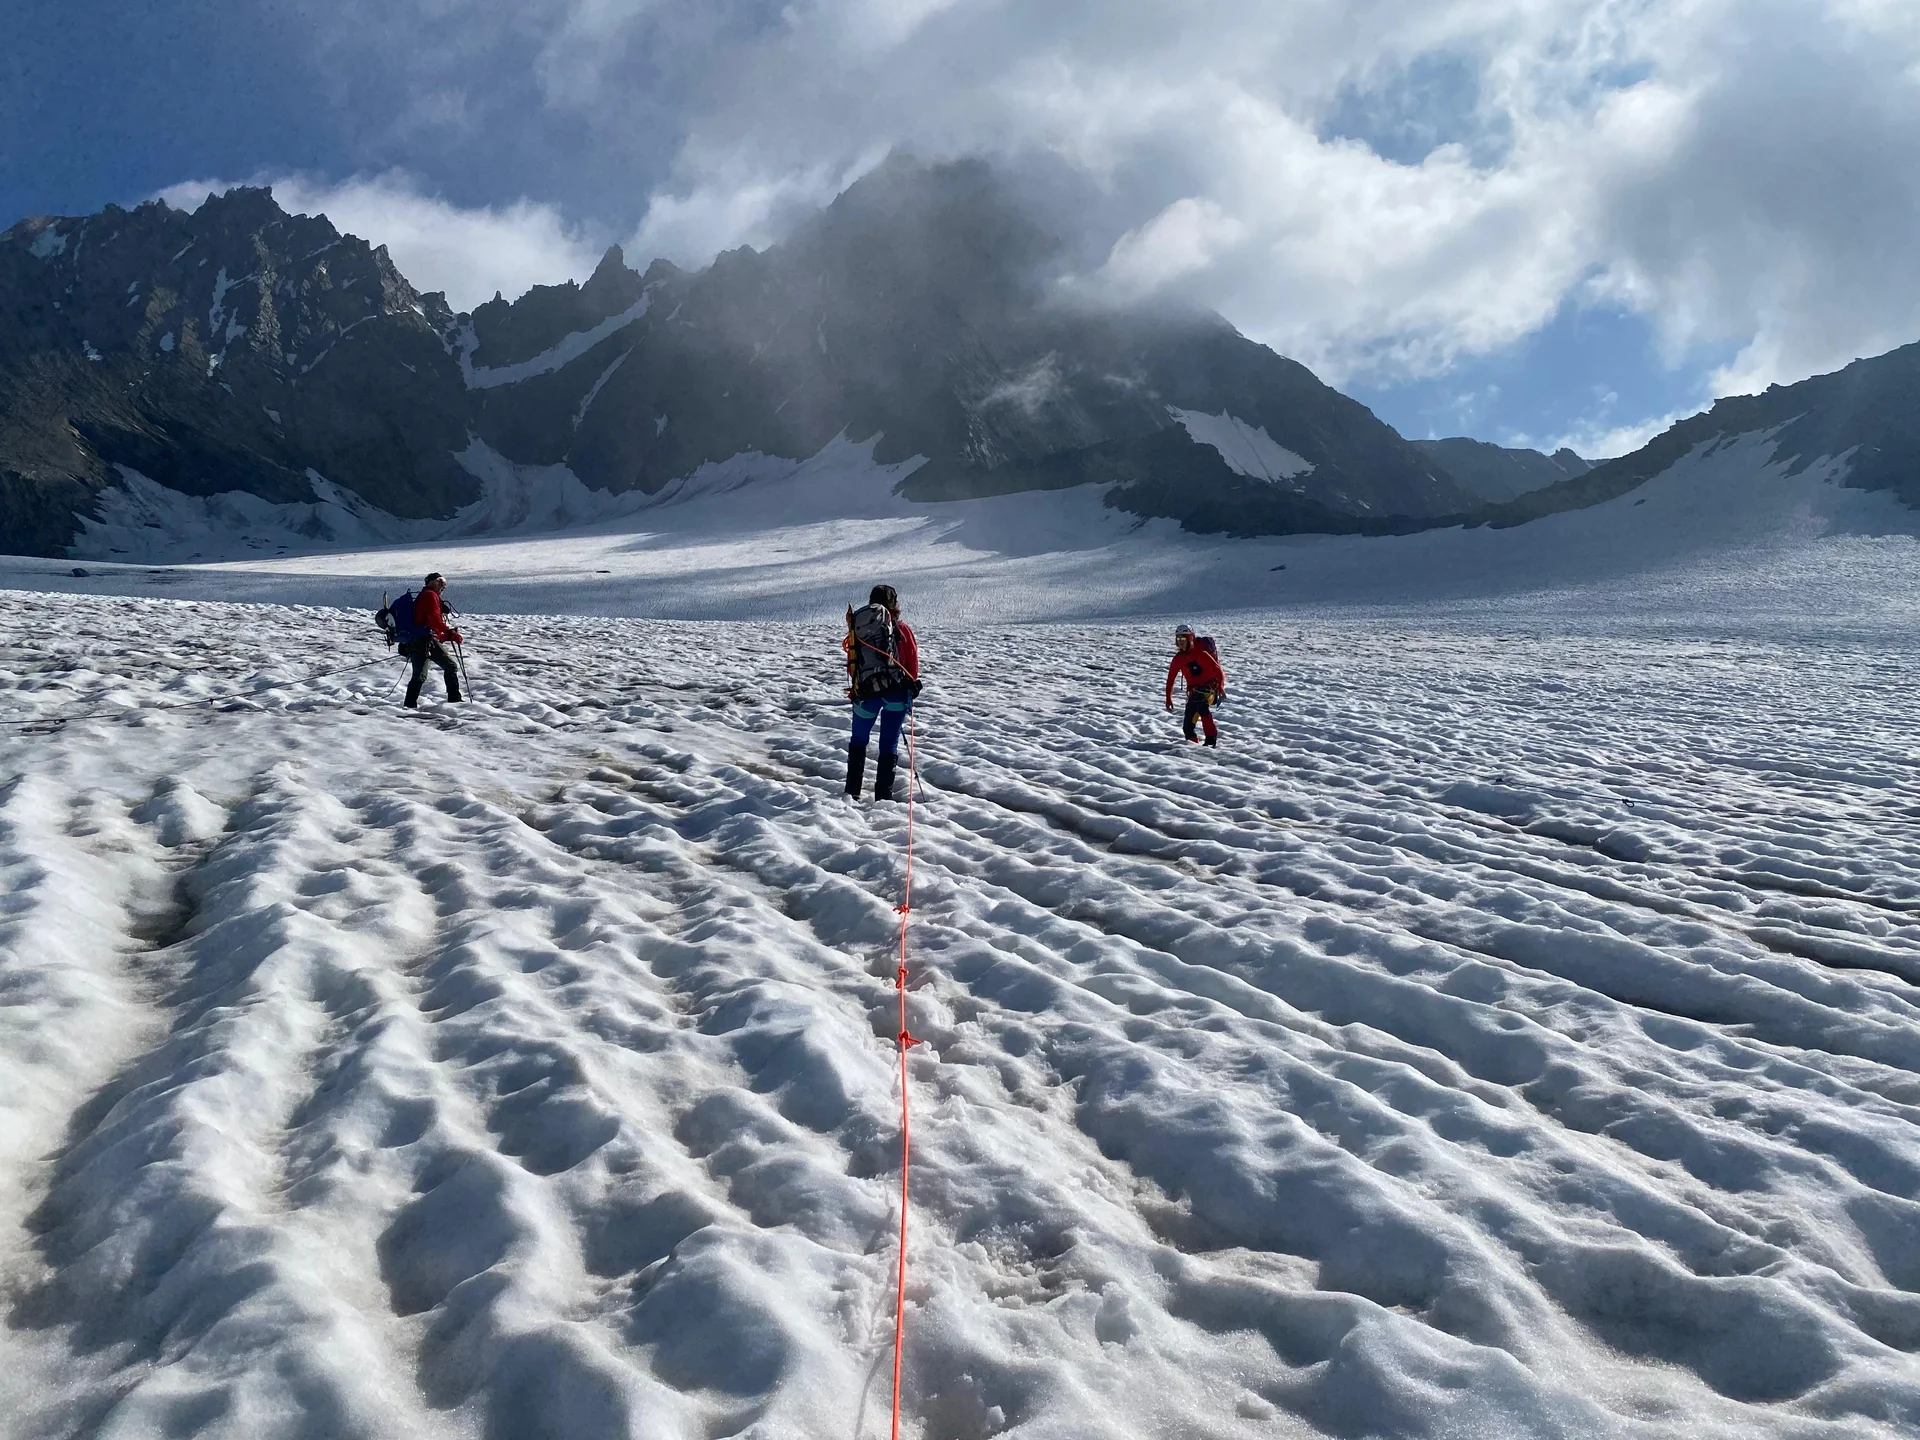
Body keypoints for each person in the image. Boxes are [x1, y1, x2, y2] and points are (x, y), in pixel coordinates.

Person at [843, 583, 920, 800]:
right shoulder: (902, 629)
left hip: (866, 694)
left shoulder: (858, 629)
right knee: (888, 743)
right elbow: (912, 669)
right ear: (893, 603)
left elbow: (853, 663)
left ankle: (851, 795)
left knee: (858, 740)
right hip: (896, 694)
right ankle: (883, 799)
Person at [403, 572, 463, 708]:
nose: (441, 586)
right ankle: (455, 701)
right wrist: (449, 632)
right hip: (425, 640)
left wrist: (445, 635)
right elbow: (433, 620)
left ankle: (409, 706)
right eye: (439, 582)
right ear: (432, 582)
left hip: (417, 639)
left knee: (419, 675)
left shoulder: (424, 595)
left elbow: (427, 621)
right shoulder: (430, 596)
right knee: (450, 666)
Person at [1165, 622, 1224, 746]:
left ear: (1190, 639)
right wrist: (1168, 699)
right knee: (1187, 727)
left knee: (1201, 706)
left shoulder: (1201, 654)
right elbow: (1171, 679)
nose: (1181, 642)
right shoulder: (1178, 659)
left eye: (1184, 639)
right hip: (1194, 692)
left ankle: (1210, 740)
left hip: (1210, 689)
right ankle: (1193, 747)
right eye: (1178, 639)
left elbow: (1218, 672)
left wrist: (1221, 687)